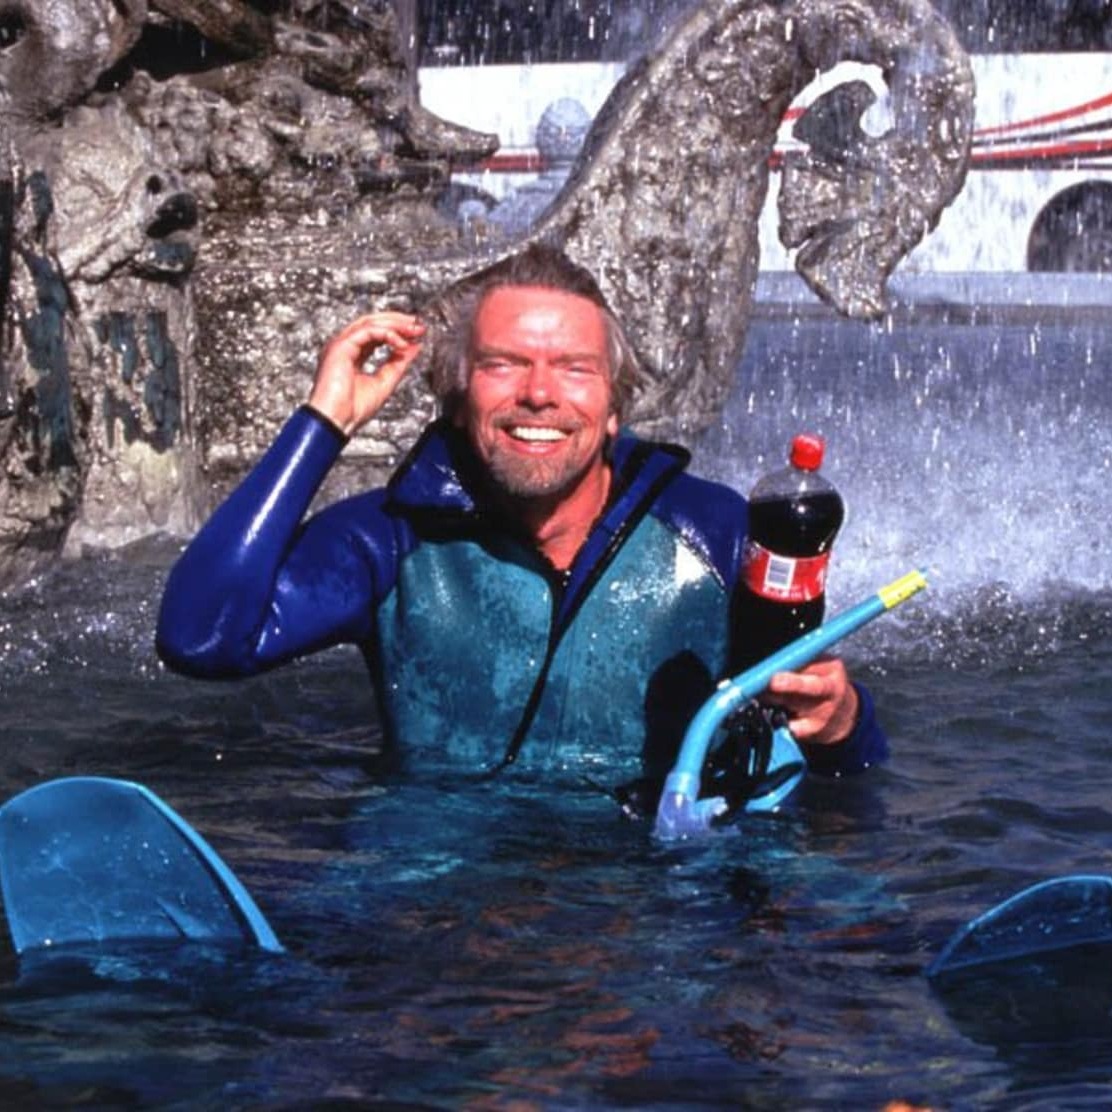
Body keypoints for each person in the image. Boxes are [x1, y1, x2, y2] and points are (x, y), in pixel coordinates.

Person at [156, 244, 886, 810]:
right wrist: (326, 421)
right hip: (435, 902)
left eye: (573, 368)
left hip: (648, 909)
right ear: (457, 393)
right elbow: (202, 639)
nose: (538, 393)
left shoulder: (718, 530)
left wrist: (843, 720)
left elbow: (843, 770)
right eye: (503, 365)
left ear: (612, 407)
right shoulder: (386, 539)